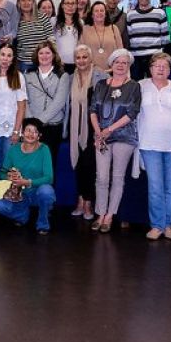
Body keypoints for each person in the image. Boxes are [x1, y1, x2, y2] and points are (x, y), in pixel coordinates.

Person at [138, 53, 171, 240]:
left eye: (165, 66)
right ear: (150, 69)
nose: (161, 69)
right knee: (155, 186)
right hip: (149, 144)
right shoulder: (140, 86)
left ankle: (168, 225)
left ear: (170, 69)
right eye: (156, 65)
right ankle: (156, 225)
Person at [89, 48, 141, 233]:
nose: (120, 65)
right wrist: (98, 132)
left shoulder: (134, 86)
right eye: (117, 62)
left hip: (124, 137)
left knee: (117, 178)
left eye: (124, 63)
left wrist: (109, 130)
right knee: (101, 177)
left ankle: (110, 216)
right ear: (111, 64)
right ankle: (100, 213)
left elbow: (132, 113)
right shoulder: (101, 84)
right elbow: (93, 109)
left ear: (128, 66)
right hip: (101, 136)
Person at [0, 117, 56, 234]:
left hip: (37, 192)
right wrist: (9, 177)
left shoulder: (44, 149)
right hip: (19, 193)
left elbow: (49, 177)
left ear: (39, 135)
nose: (31, 134)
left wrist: (28, 182)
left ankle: (43, 223)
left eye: (35, 131)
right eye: (28, 130)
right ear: (22, 132)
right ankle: (22, 216)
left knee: (47, 191)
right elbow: (2, 172)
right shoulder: (13, 150)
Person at [69, 45, 108, 220]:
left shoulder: (101, 76)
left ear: (90, 59)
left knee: (90, 166)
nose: (81, 61)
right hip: (74, 127)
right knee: (77, 165)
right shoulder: (70, 78)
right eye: (78, 58)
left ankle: (88, 202)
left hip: (93, 128)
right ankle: (79, 200)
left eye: (85, 57)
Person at [0, 43, 27, 187]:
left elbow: (22, 107)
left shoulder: (18, 77)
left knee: (8, 165)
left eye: (9, 55)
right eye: (3, 54)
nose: (5, 58)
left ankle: (9, 198)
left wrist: (17, 130)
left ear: (13, 59)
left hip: (10, 129)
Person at [25, 41, 70, 167]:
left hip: (53, 126)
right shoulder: (28, 74)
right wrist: (31, 121)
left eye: (48, 53)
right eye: (41, 53)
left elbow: (59, 102)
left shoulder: (62, 75)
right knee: (31, 163)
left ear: (54, 55)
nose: (44, 56)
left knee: (49, 163)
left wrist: (39, 121)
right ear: (37, 55)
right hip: (31, 127)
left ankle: (47, 187)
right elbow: (25, 99)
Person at [126, 0, 169, 80]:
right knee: (136, 87)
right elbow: (129, 36)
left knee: (156, 84)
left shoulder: (160, 13)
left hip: (155, 56)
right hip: (136, 57)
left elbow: (165, 38)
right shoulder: (130, 15)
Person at [15, 0, 53, 72]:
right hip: (24, 64)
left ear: (33, 2)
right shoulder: (16, 20)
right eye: (23, 0)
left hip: (43, 62)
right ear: (18, 3)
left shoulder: (42, 17)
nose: (26, 3)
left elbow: (51, 39)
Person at [81, 1, 124, 72]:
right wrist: (93, 68)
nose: (99, 13)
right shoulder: (84, 30)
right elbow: (82, 52)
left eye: (102, 11)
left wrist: (113, 68)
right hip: (91, 71)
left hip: (113, 71)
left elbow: (120, 51)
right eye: (96, 11)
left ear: (105, 14)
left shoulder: (114, 28)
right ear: (92, 14)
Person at [53, 0, 83, 73]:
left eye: (73, 3)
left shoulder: (81, 22)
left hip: (76, 64)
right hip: (59, 64)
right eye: (67, 3)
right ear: (62, 5)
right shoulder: (53, 21)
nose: (70, 6)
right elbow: (50, 42)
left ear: (76, 6)